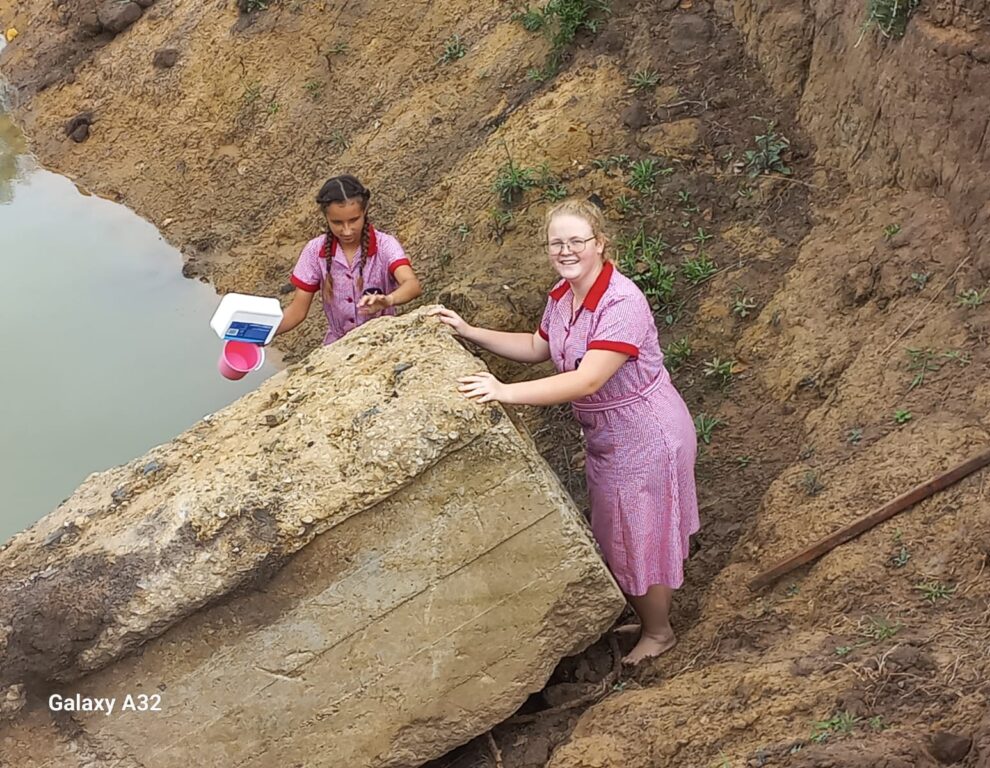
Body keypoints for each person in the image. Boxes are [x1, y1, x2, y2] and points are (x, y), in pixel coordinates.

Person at [429, 198, 700, 665]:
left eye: (577, 241)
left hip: (646, 433)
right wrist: (471, 331)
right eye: (557, 243)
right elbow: (539, 347)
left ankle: (659, 633)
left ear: (600, 244)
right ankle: (645, 610)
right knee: (617, 529)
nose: (566, 250)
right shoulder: (563, 295)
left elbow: (589, 378)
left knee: (639, 532)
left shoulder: (621, 303)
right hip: (608, 435)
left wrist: (504, 392)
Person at [276, 174, 422, 345]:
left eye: (353, 220)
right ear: (326, 218)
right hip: (337, 346)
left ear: (364, 211)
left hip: (383, 341)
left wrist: (388, 300)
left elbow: (412, 285)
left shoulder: (385, 245)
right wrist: (259, 335)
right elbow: (297, 311)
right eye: (337, 222)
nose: (346, 231)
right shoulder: (315, 251)